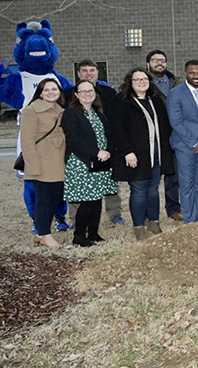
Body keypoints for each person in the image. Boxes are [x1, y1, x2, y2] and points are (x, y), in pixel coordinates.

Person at [110, 68, 174, 240]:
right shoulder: (121, 101)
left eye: (144, 79)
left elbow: (164, 126)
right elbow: (117, 129)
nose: (141, 82)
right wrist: (127, 151)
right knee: (138, 190)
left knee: (153, 190)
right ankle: (139, 228)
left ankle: (154, 223)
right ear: (130, 82)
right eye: (137, 79)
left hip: (156, 154)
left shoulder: (156, 100)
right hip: (135, 155)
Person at [68, 59, 124, 225]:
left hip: (105, 147)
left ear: (97, 73)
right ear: (78, 74)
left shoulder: (108, 93)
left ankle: (115, 214)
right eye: (84, 70)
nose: (88, 73)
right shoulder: (69, 93)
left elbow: (116, 118)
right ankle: (75, 219)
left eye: (92, 70)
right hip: (81, 150)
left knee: (108, 182)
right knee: (80, 186)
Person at [61, 79, 115, 246]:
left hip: (100, 161)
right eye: (83, 91)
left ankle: (93, 233)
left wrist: (108, 153)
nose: (88, 94)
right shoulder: (71, 113)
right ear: (76, 95)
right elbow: (73, 139)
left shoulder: (98, 113)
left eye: (90, 91)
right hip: (81, 162)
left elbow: (107, 136)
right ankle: (79, 236)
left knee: (97, 199)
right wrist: (95, 152)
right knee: (88, 201)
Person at [166, 60, 198, 223]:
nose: (196, 76)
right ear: (185, 73)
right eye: (192, 73)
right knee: (187, 185)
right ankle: (189, 221)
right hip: (186, 147)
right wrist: (195, 143)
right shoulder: (175, 93)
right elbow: (176, 122)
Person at [21, 78, 66, 248]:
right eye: (46, 90)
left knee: (56, 197)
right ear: (40, 92)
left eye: (54, 89)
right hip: (42, 161)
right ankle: (44, 235)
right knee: (43, 199)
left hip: (58, 161)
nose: (51, 92)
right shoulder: (31, 111)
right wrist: (33, 166)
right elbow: (27, 142)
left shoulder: (61, 110)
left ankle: (42, 232)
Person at [146, 49, 181, 222]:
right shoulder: (142, 82)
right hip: (152, 136)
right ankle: (147, 214)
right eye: (155, 60)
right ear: (148, 64)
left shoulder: (176, 82)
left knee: (173, 175)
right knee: (151, 178)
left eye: (162, 60)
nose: (159, 63)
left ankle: (173, 208)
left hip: (173, 135)